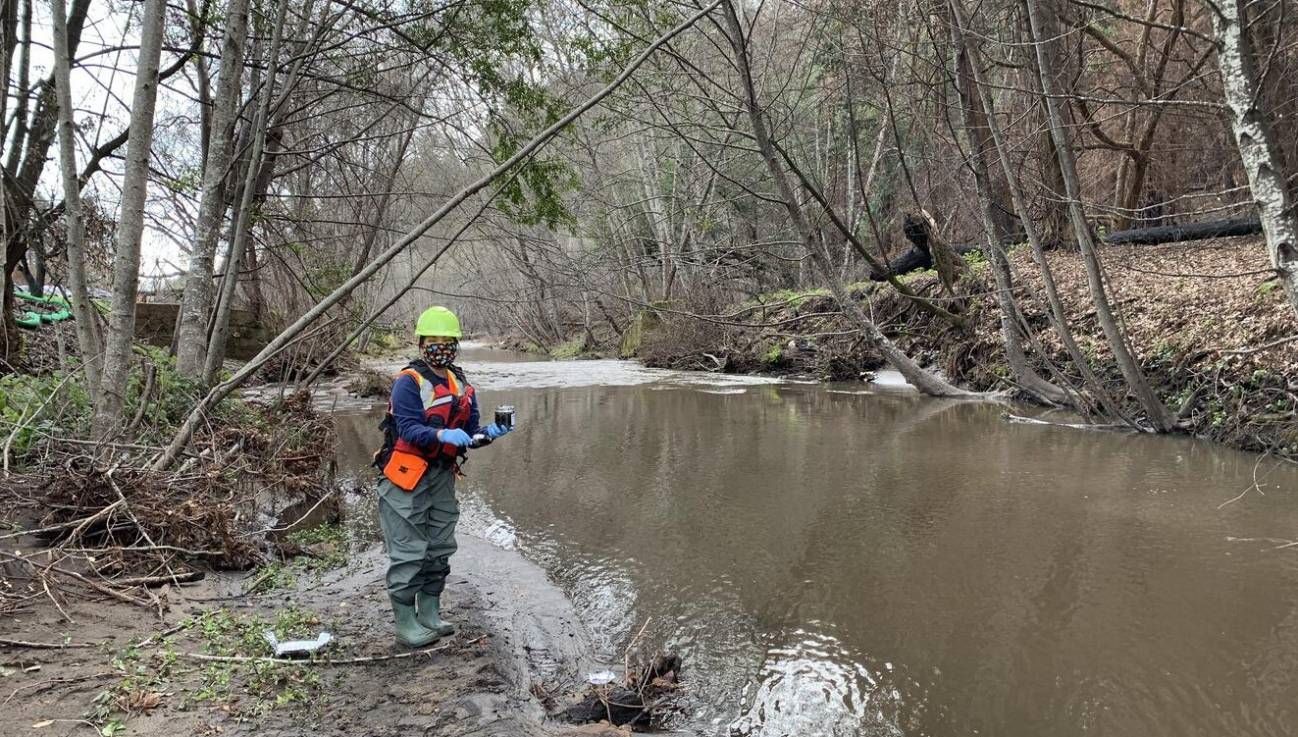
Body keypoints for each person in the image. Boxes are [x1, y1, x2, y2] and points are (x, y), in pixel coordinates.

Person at [373, 306, 513, 647]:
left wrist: (489, 433)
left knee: (439, 546)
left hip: (441, 475)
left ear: (456, 344)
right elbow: (408, 428)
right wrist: (440, 436)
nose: (441, 346)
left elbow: (469, 432)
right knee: (409, 550)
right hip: (405, 476)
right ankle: (406, 623)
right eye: (434, 340)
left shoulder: (462, 385)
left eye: (447, 340)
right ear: (421, 343)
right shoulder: (409, 382)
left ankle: (430, 613)